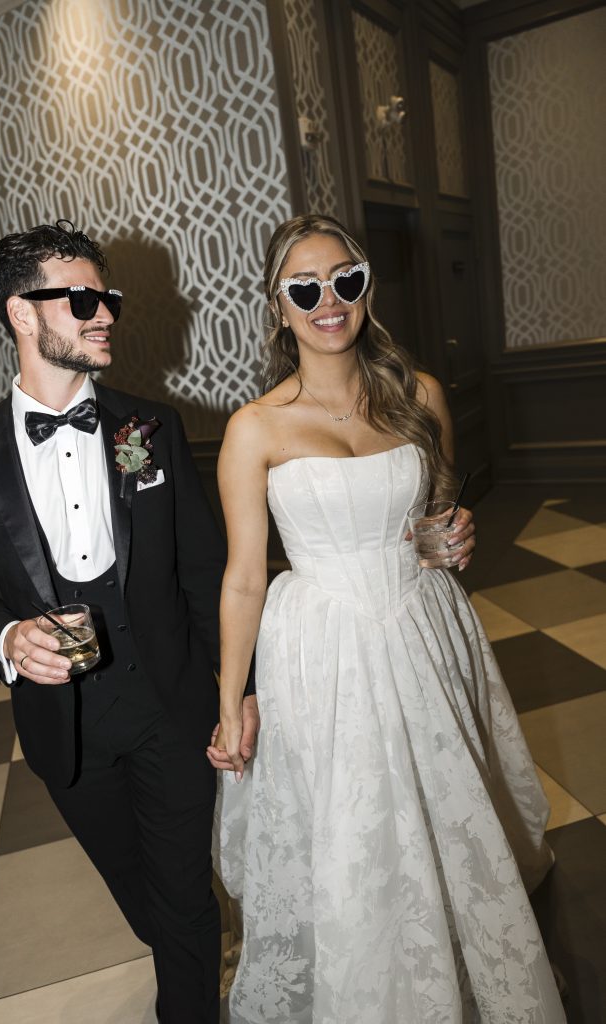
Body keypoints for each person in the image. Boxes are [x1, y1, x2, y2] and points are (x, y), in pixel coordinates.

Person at [208, 214, 565, 1022]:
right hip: (319, 648)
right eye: (305, 287)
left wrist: (453, 534)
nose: (327, 301)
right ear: (278, 305)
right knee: (353, 820)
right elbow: (241, 579)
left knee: (441, 806)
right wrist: (231, 704)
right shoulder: (254, 428)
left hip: (419, 624)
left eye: (345, 280)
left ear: (366, 288)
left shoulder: (419, 395)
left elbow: (435, 520)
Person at [0, 219, 257, 1024]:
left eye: (105, 296)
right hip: (65, 729)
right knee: (141, 893)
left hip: (170, 703)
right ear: (21, 312)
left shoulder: (149, 429)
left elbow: (201, 573)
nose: (104, 311)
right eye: (80, 298)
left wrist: (239, 691)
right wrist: (8, 639)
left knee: (180, 894)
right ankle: (190, 951)